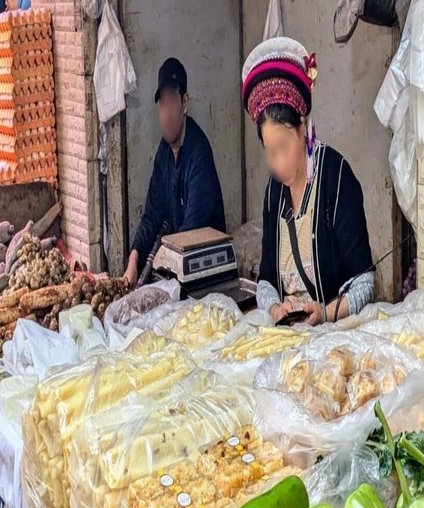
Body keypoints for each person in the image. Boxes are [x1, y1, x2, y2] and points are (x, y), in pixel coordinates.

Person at [242, 37, 374, 325]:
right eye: (270, 151)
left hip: (333, 337)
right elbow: (265, 281)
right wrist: (275, 308)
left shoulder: (337, 179)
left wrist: (325, 313)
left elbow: (364, 282)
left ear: (303, 126)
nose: (277, 162)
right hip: (288, 336)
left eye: (284, 147)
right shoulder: (273, 192)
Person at [123, 58, 226, 288]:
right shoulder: (164, 152)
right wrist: (134, 257)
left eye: (172, 102)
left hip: (204, 274)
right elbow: (153, 214)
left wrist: (160, 261)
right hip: (177, 267)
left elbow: (190, 236)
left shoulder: (199, 155)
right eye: (162, 104)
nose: (166, 114)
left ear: (185, 103)